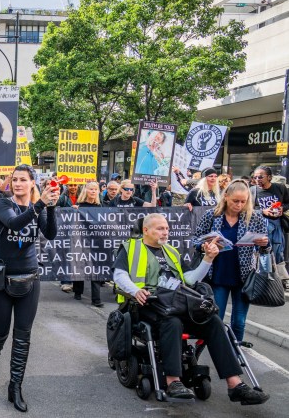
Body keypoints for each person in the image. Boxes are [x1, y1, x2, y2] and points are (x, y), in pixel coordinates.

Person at [113, 213, 269, 404]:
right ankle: (173, 381)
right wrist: (136, 290)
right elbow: (119, 276)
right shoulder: (130, 248)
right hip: (147, 305)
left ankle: (235, 385)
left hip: (177, 303)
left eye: (167, 228)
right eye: (160, 228)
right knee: (172, 321)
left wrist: (208, 259)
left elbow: (191, 280)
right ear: (146, 230)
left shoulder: (171, 251)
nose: (165, 232)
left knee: (214, 322)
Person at [0, 164, 58, 412]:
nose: (17, 184)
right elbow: (15, 224)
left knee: (23, 336)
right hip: (0, 280)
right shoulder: (3, 205)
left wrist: (51, 206)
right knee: (1, 331)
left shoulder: (38, 207)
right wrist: (39, 206)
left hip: (30, 278)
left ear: (31, 183)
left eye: (23, 180)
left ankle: (15, 386)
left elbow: (51, 233)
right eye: (14, 180)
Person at [194, 180, 269, 344]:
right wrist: (204, 246)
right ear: (226, 197)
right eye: (236, 201)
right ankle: (220, 350)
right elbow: (195, 240)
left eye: (244, 201)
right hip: (218, 274)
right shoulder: (212, 215)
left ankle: (236, 352)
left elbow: (265, 244)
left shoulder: (253, 217)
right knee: (217, 318)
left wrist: (264, 243)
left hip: (244, 277)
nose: (239, 205)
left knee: (239, 321)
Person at [250, 166, 289, 286]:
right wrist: (262, 211)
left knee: (278, 251)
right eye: (255, 177)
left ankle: (281, 280)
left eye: (260, 177)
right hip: (259, 226)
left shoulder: (280, 188)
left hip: (276, 225)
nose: (257, 179)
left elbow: (287, 202)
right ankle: (262, 278)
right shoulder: (252, 191)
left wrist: (283, 208)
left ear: (269, 177)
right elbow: (247, 209)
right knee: (261, 252)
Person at [71, 182, 104, 306]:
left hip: (96, 241)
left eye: (95, 189)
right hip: (81, 240)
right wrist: (74, 211)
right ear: (86, 191)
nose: (93, 191)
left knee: (95, 268)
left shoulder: (101, 207)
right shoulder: (79, 205)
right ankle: (78, 292)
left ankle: (96, 299)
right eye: (91, 189)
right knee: (80, 265)